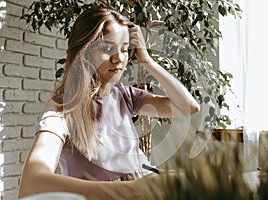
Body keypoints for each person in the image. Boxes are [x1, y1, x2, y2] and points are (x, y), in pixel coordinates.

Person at [18, 6, 200, 200]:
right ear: (83, 52)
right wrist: (131, 190)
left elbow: (188, 107)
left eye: (124, 49)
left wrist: (148, 62)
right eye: (107, 49)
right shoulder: (62, 110)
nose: (119, 59)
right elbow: (32, 184)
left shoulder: (126, 96)